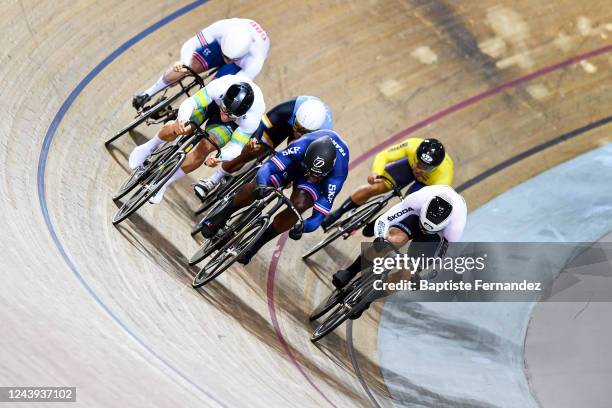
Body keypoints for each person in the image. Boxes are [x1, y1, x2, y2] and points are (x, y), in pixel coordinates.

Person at [200, 131, 349, 265]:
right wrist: (262, 185)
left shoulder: (337, 175)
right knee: (257, 186)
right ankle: (222, 215)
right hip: (296, 165)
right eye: (310, 172)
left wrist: (303, 227)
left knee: (298, 207)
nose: (311, 176)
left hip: (314, 183)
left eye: (316, 175)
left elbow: (318, 217)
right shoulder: (301, 146)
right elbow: (268, 168)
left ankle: (253, 247)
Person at [331, 185, 467, 318]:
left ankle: (367, 300)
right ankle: (350, 271)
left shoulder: (454, 229)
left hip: (434, 236)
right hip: (415, 217)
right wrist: (380, 238)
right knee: (391, 241)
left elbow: (441, 258)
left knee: (406, 274)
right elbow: (385, 219)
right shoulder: (418, 200)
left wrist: (421, 274)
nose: (424, 229)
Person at [127, 74, 265, 203]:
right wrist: (182, 120)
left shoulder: (252, 118)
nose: (225, 116)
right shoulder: (220, 86)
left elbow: (236, 147)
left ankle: (163, 183)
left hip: (230, 126)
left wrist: (220, 156)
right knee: (183, 128)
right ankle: (149, 147)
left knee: (207, 146)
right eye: (225, 110)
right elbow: (190, 103)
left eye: (231, 115)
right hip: (212, 104)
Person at [193, 96, 333, 199]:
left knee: (289, 165)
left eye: (302, 131)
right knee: (252, 150)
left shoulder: (321, 135)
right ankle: (213, 180)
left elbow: (308, 162)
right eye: (297, 127)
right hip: (284, 124)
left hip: (306, 142)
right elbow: (264, 123)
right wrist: (255, 139)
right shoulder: (292, 107)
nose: (297, 132)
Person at [132, 18, 270, 110]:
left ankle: (184, 112)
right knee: (186, 68)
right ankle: (147, 94)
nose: (226, 60)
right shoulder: (223, 28)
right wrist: (184, 63)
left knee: (213, 90)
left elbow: (235, 84)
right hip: (219, 46)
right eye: (225, 56)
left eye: (231, 58)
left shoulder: (255, 60)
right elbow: (191, 43)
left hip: (239, 66)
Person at [322, 138, 454, 233]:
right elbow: (384, 155)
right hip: (407, 167)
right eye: (418, 162)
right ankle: (338, 212)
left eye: (425, 167)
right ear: (417, 154)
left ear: (436, 167)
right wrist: (375, 173)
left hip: (426, 185)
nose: (419, 169)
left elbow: (428, 203)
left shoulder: (444, 179)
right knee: (375, 187)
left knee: (408, 207)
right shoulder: (413, 145)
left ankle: (385, 219)